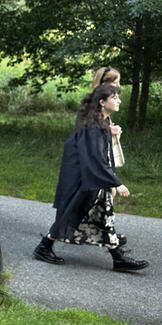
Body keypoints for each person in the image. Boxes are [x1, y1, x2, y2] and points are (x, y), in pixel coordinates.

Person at [33, 84, 148, 272]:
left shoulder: (102, 122)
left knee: (103, 214)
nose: (119, 100)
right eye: (115, 97)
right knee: (75, 211)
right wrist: (116, 183)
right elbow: (95, 159)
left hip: (92, 177)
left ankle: (117, 256)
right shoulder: (93, 126)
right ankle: (45, 245)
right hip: (85, 177)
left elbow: (104, 155)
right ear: (102, 102)